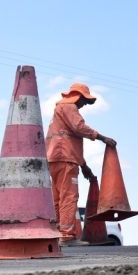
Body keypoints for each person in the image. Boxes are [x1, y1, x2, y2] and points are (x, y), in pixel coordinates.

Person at [46, 83, 116, 245]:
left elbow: (70, 142)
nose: (84, 104)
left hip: (54, 159)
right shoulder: (69, 107)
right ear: (77, 96)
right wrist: (102, 138)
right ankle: (66, 236)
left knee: (57, 198)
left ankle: (58, 234)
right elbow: (79, 127)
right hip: (66, 159)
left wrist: (84, 166)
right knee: (69, 196)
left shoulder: (59, 110)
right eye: (84, 100)